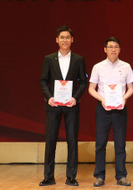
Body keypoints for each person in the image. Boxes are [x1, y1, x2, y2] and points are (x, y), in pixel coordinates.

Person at [39, 25, 88, 187]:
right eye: (62, 37)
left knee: (72, 141)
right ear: (57, 40)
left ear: (72, 40)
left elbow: (83, 82)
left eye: (67, 37)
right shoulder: (49, 59)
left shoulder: (78, 59)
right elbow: (43, 81)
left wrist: (75, 98)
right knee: (50, 141)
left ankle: (71, 176)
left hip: (71, 106)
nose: (65, 40)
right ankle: (48, 177)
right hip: (53, 105)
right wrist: (49, 97)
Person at [88, 37, 133, 187]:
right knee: (100, 144)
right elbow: (91, 89)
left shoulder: (126, 66)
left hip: (120, 109)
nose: (113, 49)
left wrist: (124, 98)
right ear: (105, 49)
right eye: (110, 47)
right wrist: (102, 99)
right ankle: (99, 176)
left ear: (120, 49)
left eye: (116, 47)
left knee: (120, 144)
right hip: (103, 109)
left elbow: (131, 89)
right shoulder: (98, 67)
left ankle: (121, 176)